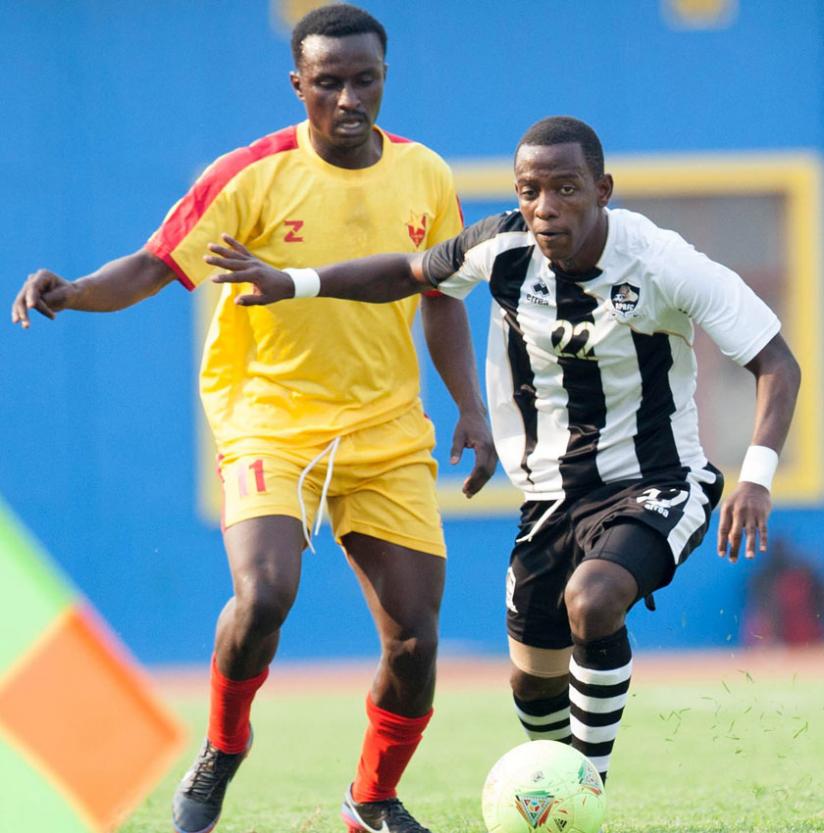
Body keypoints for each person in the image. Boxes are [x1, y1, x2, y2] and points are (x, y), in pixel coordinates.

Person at [197, 115, 801, 790]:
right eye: (529, 189)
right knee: (533, 688)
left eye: (566, 188)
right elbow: (406, 271)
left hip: (658, 478)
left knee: (593, 599)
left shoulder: (663, 262)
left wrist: (756, 477)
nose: (546, 207)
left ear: (603, 189)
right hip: (552, 495)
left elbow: (776, 360)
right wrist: (298, 282)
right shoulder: (501, 246)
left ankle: (584, 788)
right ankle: (554, 778)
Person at [11, 6, 496, 833]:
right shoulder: (250, 175)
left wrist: (473, 409)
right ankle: (223, 747)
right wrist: (75, 291)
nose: (349, 97)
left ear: (386, 79)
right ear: (298, 84)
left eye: (365, 79)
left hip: (385, 427)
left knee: (414, 639)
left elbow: (440, 298)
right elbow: (155, 264)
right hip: (269, 416)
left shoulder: (426, 175)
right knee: (265, 593)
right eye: (329, 82)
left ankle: (371, 797)